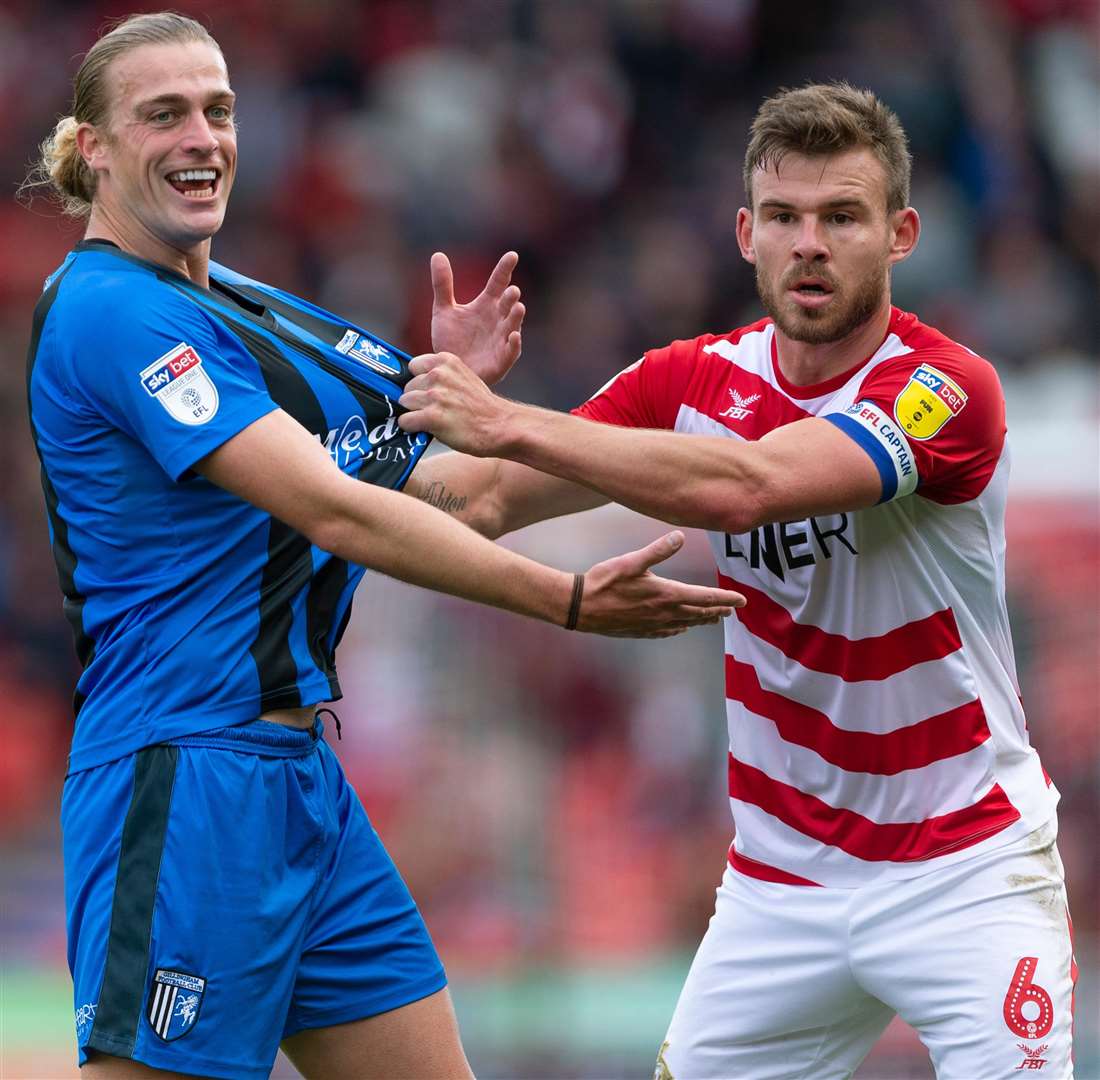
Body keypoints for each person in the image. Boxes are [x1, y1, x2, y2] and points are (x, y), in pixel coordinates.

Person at [23, 12, 745, 1079]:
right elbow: (339, 510)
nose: (200, 137)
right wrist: (565, 601)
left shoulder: (253, 312)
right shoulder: (108, 313)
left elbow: (473, 491)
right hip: (184, 781)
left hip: (300, 781)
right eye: (161, 114)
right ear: (94, 148)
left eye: (217, 110)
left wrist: (700, 412)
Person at [397, 82, 1077, 1079]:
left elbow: (748, 487)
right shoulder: (687, 382)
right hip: (781, 885)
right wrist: (403, 419)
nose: (810, 243)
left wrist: (506, 420)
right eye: (786, 218)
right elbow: (478, 501)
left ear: (899, 235)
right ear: (743, 234)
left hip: (960, 869)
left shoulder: (945, 388)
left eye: (841, 217)